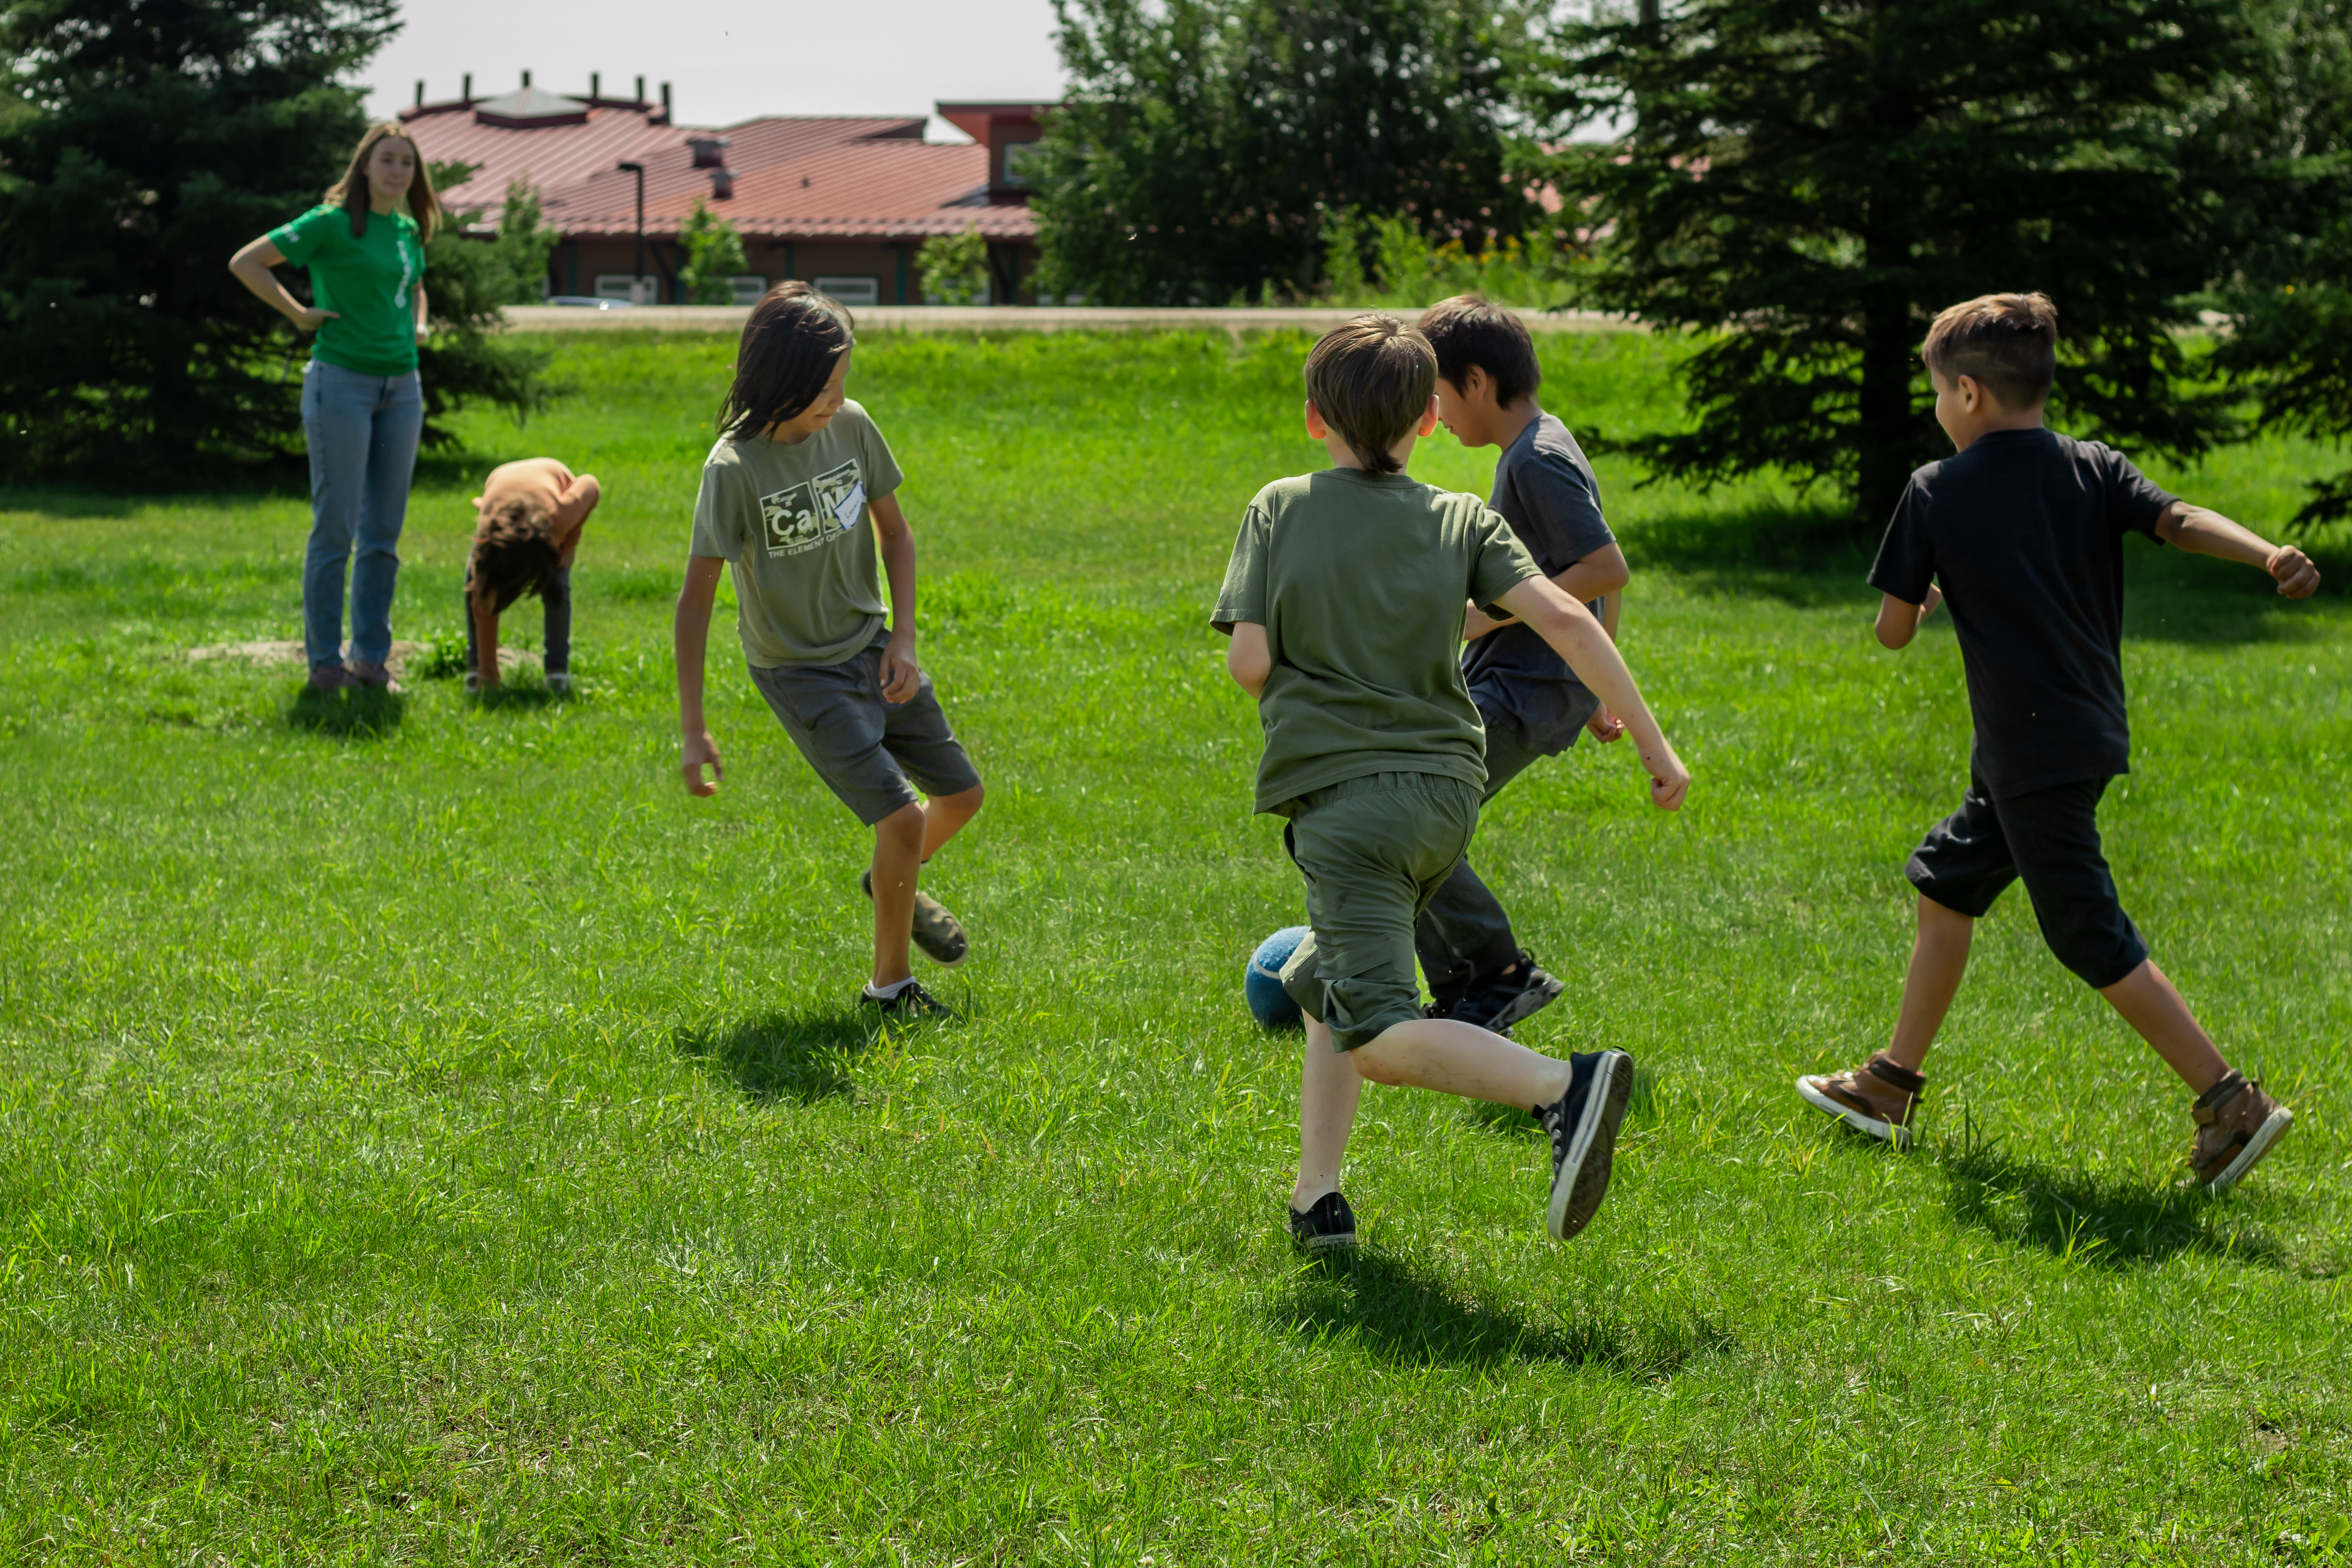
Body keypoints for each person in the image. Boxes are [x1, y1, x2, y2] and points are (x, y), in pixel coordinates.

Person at [1797, 292, 2319, 1192]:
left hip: (2028, 750)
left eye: (1933, 393)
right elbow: (2180, 519)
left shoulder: (1934, 489)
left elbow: (1890, 631)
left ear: (1965, 394)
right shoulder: (2091, 467)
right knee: (1947, 883)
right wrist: (2267, 553)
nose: (1933, 409)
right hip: (2071, 731)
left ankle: (2229, 1102)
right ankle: (1889, 1083)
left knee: (2086, 931)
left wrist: (1920, 596)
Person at [1214, 315, 1691, 1253]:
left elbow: (1249, 662)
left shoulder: (1279, 506)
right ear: (1424, 423)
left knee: (1382, 1037)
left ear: (1316, 420)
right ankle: (1317, 1200)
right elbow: (1570, 616)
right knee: (1323, 984)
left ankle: (1566, 1086)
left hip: (1350, 807)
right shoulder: (1461, 517)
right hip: (1444, 796)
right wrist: (1652, 744)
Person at [673, 284, 985, 1019]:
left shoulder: (851, 427)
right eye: (824, 388)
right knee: (902, 819)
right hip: (799, 671)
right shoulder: (733, 469)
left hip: (872, 644)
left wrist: (903, 635)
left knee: (962, 796)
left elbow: (897, 535)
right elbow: (694, 603)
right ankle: (890, 988)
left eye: (843, 384)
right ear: (778, 382)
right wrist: (693, 728)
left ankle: (890, 881)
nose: (837, 401)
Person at [1411, 296, 1633, 1033]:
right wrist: (1603, 681)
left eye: (1438, 396)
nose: (1435, 415)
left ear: (1476, 381)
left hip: (1521, 690)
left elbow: (1604, 566)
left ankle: (1499, 974)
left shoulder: (1536, 459)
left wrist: (1488, 613)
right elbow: (1589, 567)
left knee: (1410, 816)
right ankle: (1463, 993)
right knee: (1412, 818)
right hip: (1526, 684)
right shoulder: (1538, 445)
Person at [229, 122, 437, 694]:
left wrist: (418, 322)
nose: (398, 171)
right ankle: (324, 665)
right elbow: (247, 262)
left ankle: (370, 661)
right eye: (388, 160)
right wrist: (297, 312)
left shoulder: (408, 230)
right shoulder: (329, 224)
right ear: (364, 167)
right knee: (335, 529)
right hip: (340, 382)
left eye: (407, 163)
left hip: (402, 389)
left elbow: (414, 284)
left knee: (382, 536)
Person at [464, 458, 603, 693]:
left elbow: (590, 485)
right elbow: (484, 603)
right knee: (477, 587)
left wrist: (570, 543)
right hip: (500, 486)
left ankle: (557, 671)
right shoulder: (489, 538)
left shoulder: (558, 519)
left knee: (557, 586)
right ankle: (479, 669)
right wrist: (490, 673)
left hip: (552, 486)